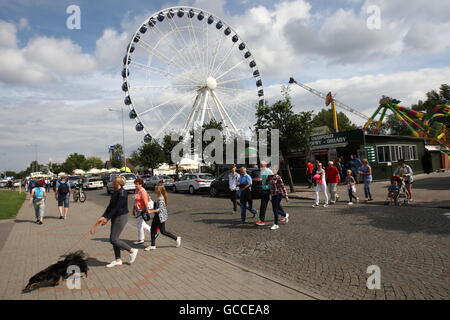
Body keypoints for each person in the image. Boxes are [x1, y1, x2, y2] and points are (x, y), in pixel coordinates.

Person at [94, 176, 139, 268]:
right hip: (115, 216)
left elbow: (117, 208)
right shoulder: (115, 192)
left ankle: (132, 250)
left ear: (118, 183)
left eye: (113, 182)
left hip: (121, 216)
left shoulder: (122, 193)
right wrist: (103, 216)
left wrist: (107, 218)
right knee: (115, 239)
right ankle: (118, 260)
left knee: (113, 239)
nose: (112, 183)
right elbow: (110, 206)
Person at [145, 185, 181, 251]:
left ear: (158, 191)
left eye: (155, 189)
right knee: (153, 229)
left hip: (160, 217)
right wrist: (150, 200)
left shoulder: (161, 198)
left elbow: (159, 209)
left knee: (163, 231)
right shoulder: (159, 197)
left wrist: (151, 211)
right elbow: (157, 205)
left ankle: (176, 238)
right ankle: (152, 245)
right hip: (157, 216)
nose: (154, 190)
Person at [133, 178, 152, 244]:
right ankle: (154, 233)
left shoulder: (142, 191)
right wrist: (133, 209)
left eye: (137, 184)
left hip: (142, 210)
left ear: (141, 184)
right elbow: (135, 200)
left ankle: (141, 239)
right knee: (142, 224)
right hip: (138, 209)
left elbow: (145, 202)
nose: (135, 185)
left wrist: (147, 211)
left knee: (139, 225)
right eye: (135, 184)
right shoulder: (137, 190)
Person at [256, 161, 273, 226]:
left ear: (265, 165)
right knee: (263, 205)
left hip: (268, 190)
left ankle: (284, 215)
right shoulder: (262, 171)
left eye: (261, 164)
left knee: (274, 204)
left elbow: (272, 182)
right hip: (263, 190)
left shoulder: (269, 171)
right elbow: (264, 180)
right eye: (260, 164)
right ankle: (261, 220)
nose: (260, 165)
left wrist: (269, 190)